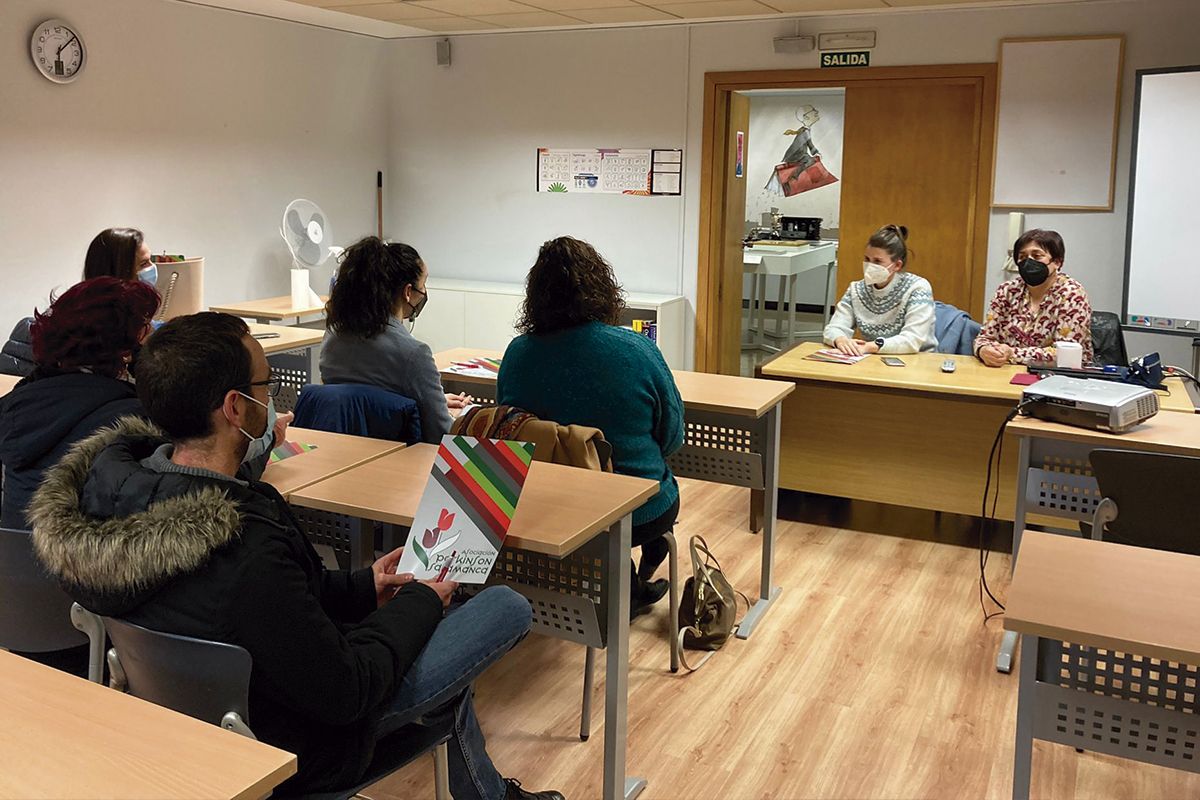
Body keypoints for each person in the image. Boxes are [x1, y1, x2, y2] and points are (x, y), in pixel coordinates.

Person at [28, 312, 560, 800]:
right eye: (267, 385)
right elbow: (347, 689)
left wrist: (361, 587)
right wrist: (421, 600)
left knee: (428, 633)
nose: (276, 402)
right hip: (298, 743)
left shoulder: (115, 496)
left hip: (201, 716)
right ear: (236, 408)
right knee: (505, 607)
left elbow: (274, 603)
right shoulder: (244, 544)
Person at [497, 237, 684, 619]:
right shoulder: (636, 349)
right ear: (603, 287)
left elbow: (509, 429)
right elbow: (672, 436)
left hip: (543, 506)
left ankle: (629, 584)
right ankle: (635, 580)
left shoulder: (518, 353)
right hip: (636, 510)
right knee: (659, 500)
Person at [0, 277, 160, 531]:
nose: (151, 331)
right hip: (80, 562)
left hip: (14, 559)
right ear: (124, 347)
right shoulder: (130, 416)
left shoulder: (21, 401)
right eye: (144, 325)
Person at [320, 237, 469, 444]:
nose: (424, 291)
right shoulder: (414, 354)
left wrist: (431, 402)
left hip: (342, 452)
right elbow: (440, 434)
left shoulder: (332, 337)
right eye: (423, 284)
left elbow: (358, 402)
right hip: (402, 461)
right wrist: (458, 418)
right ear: (408, 292)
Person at [2, 228, 157, 377]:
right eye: (144, 264)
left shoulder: (78, 307)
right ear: (120, 269)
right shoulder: (90, 325)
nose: (152, 268)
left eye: (151, 260)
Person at [974, 229, 1093, 367]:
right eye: (1023, 257)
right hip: (1005, 372)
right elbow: (984, 338)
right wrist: (983, 350)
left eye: (1037, 256)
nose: (1028, 262)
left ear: (1057, 262)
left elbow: (1066, 354)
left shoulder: (1071, 294)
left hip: (1059, 378)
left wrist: (1012, 354)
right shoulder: (1007, 290)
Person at [824, 224, 936, 356]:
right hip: (873, 359)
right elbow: (834, 327)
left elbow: (912, 340)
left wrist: (871, 346)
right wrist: (841, 340)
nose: (870, 265)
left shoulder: (918, 288)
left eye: (877, 261)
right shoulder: (856, 289)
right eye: (867, 259)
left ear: (897, 265)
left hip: (918, 361)